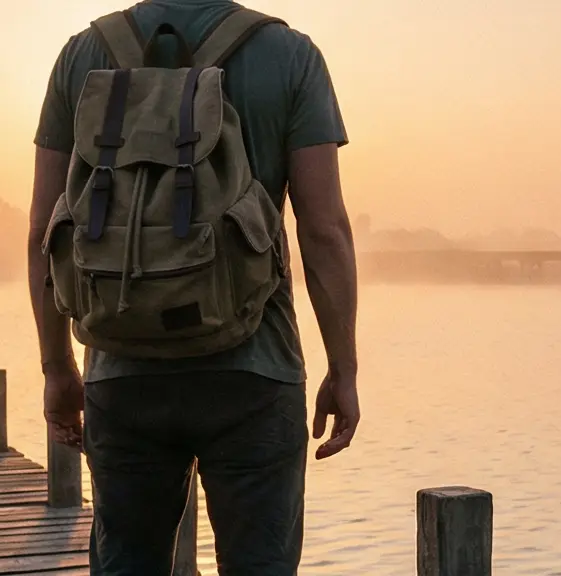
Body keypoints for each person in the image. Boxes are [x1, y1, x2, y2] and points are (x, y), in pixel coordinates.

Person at [27, 1, 360, 574]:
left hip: (122, 365)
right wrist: (343, 369)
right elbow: (324, 230)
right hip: (256, 370)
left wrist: (57, 369)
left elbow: (45, 230)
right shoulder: (289, 55)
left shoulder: (84, 54)